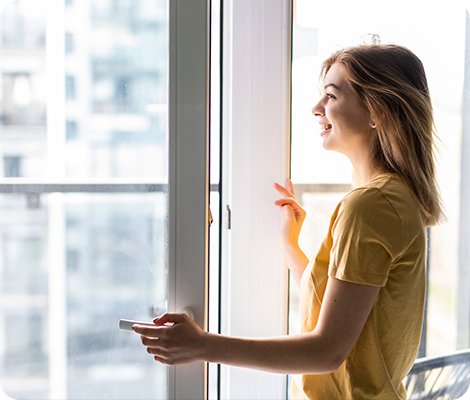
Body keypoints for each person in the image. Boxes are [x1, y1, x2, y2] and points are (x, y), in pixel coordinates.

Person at [133, 42, 444, 399]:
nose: (316, 109)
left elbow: (327, 350)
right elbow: (342, 310)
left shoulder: (372, 205)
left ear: (377, 111)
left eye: (331, 96)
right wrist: (289, 245)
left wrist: (202, 346)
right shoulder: (393, 197)